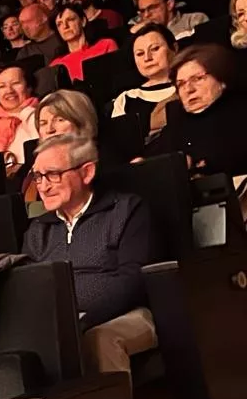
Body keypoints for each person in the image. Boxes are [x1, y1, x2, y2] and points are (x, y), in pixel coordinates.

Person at [24, 135, 159, 374]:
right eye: (38, 177)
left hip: (125, 315)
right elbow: (28, 288)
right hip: (63, 326)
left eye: (53, 175)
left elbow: (133, 281)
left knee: (98, 339)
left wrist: (83, 321)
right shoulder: (38, 230)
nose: (43, 186)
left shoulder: (126, 210)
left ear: (87, 173)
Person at [154, 43, 247, 175]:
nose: (189, 89)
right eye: (181, 84)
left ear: (222, 80)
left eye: (197, 79)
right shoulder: (175, 123)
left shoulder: (241, 111)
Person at [113, 25, 179, 129]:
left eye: (155, 49)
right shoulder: (126, 99)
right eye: (140, 54)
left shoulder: (190, 85)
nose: (147, 58)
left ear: (174, 48)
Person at [50, 4, 118, 81]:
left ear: (83, 21)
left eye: (70, 20)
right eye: (59, 24)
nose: (65, 26)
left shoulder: (106, 45)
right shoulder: (56, 64)